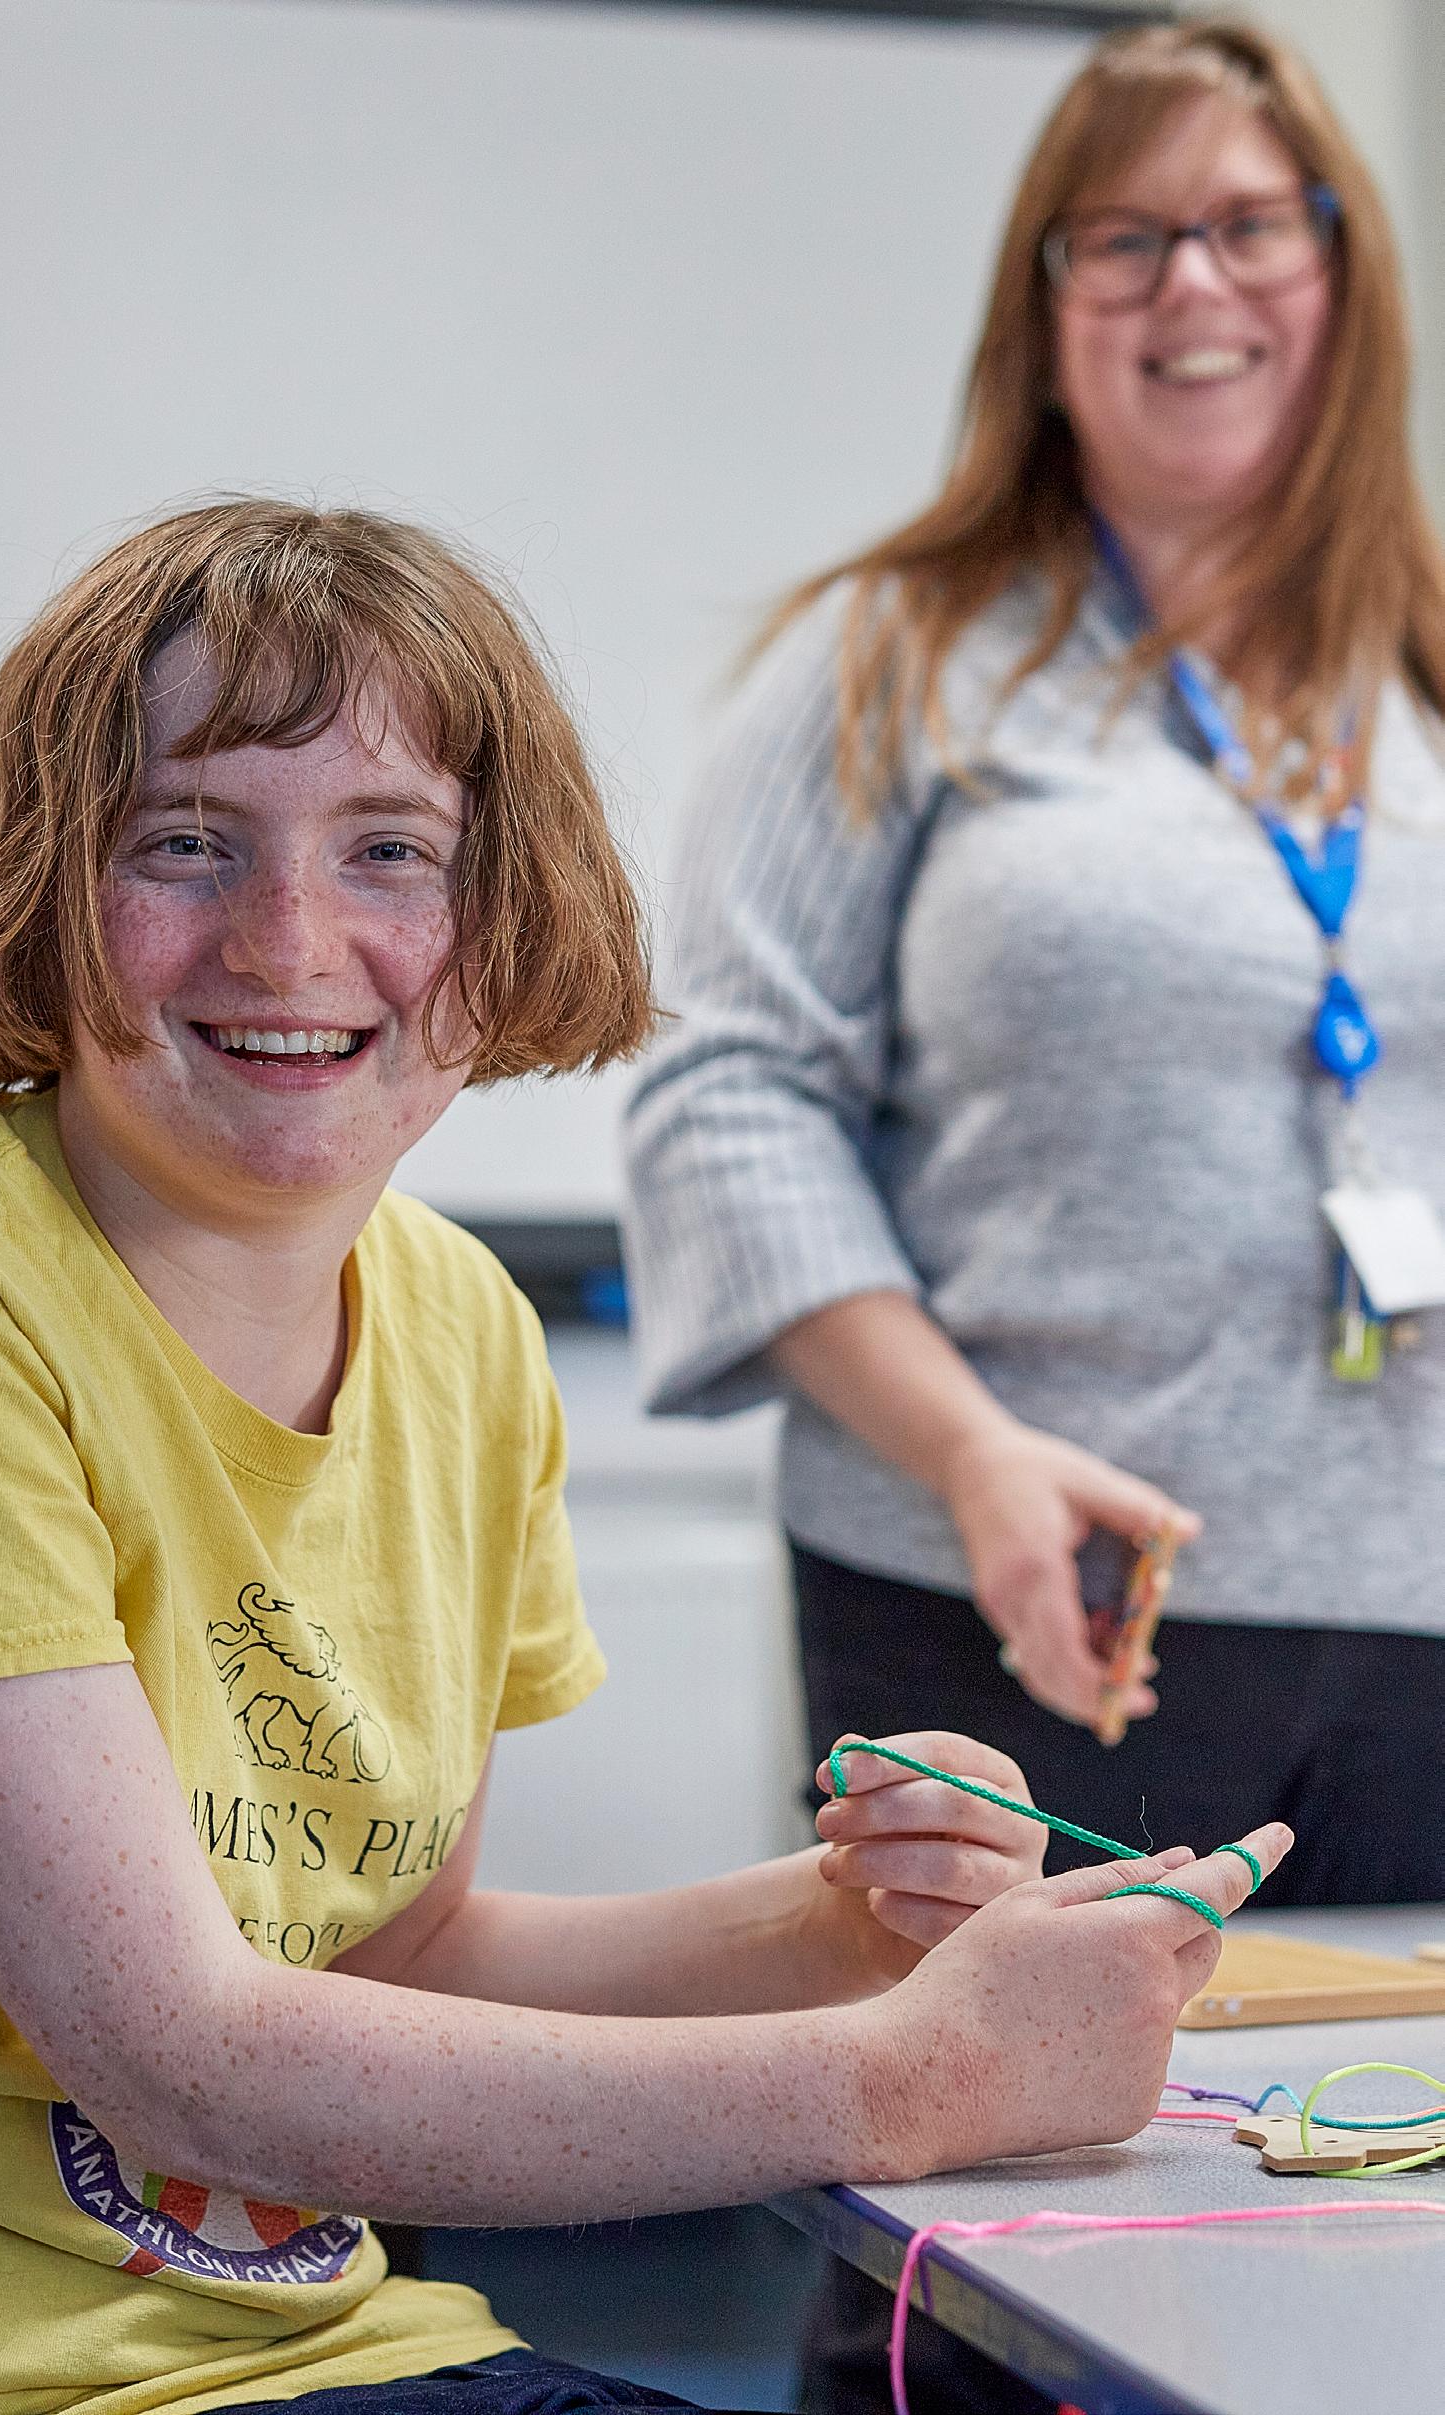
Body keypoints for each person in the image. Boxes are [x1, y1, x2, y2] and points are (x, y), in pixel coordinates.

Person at [0, 499, 1283, 2415]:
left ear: (502, 914)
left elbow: (401, 1953)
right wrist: (915, 2077)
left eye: (391, 850)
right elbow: (182, 2067)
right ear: (48, 884)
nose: (288, 941)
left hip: (304, 2358)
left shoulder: (457, 1325)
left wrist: (835, 1927)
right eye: (183, 841)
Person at [620, 19, 1442, 2410]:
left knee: (1374, 2244)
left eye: (1251, 223)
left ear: (1341, 270)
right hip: (1026, 1610)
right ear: (1046, 301)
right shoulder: (891, 660)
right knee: (991, 2257)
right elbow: (728, 1092)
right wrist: (973, 1450)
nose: (1196, 283)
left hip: (1413, 1610)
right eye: (1128, 236)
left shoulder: (1421, 669)